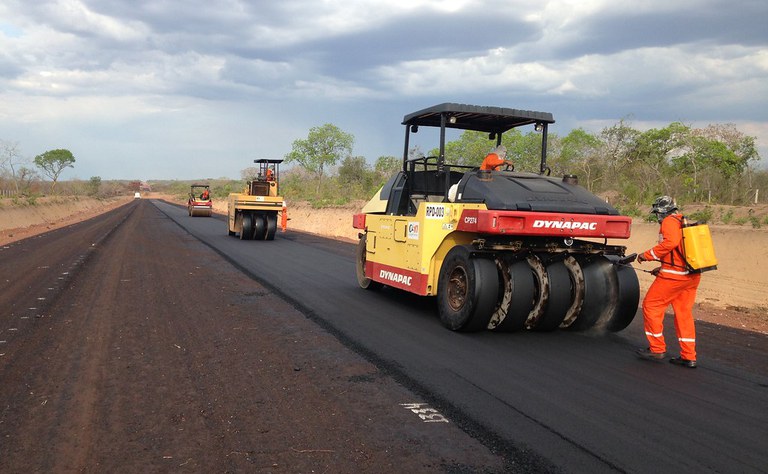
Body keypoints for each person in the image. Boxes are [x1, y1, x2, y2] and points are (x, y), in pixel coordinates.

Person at [635, 195, 701, 368]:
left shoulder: (669, 222)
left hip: (674, 276)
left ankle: (656, 349)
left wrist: (647, 255)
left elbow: (671, 243)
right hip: (691, 276)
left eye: (657, 212)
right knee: (684, 313)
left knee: (651, 306)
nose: (657, 216)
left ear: (662, 212)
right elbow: (679, 252)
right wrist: (661, 267)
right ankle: (689, 355)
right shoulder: (682, 221)